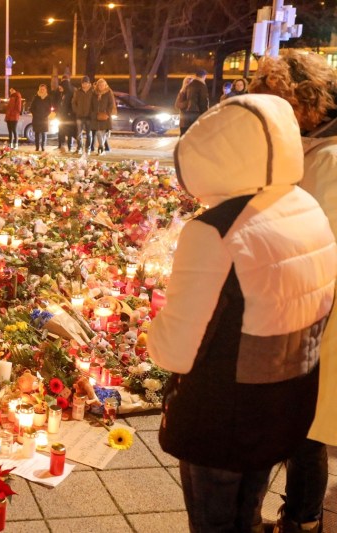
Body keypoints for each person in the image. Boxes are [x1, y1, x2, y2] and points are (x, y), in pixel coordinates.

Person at [147, 94, 337, 533]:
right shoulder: (305, 207)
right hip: (286, 398)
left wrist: (156, 328)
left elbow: (175, 351)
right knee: (249, 506)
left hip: (222, 410)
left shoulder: (216, 230)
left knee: (212, 517)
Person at [249, 50, 337, 533]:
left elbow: (315, 246)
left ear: (300, 104)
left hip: (313, 315)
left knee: (302, 426)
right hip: (297, 310)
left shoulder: (328, 159)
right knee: (295, 421)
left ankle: (302, 520)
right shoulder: (310, 149)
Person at [177, 68, 209, 134]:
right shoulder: (201, 85)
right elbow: (203, 102)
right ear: (204, 76)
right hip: (191, 117)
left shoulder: (189, 87)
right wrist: (205, 115)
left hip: (187, 118)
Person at [90, 78, 116, 155]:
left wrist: (107, 113)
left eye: (102, 85)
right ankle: (101, 147)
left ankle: (101, 147)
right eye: (99, 85)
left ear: (105, 85)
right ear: (97, 85)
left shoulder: (108, 93)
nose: (101, 86)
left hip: (105, 116)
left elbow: (111, 104)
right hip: (96, 116)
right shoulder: (94, 93)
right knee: (98, 132)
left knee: (103, 133)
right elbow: (91, 104)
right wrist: (93, 113)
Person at [72, 76, 94, 155]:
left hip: (89, 116)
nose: (84, 85)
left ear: (89, 83)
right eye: (83, 83)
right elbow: (74, 102)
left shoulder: (93, 92)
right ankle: (79, 148)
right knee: (78, 133)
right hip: (79, 116)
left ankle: (87, 149)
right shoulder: (78, 92)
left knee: (89, 134)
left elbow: (95, 103)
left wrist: (92, 112)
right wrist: (76, 110)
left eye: (86, 83)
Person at [30, 84, 52, 152]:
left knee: (43, 133)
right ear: (39, 90)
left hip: (44, 118)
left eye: (43, 89)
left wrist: (45, 115)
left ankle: (43, 147)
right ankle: (37, 147)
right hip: (36, 118)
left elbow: (49, 109)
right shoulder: (36, 97)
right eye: (41, 89)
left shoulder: (48, 98)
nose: (42, 90)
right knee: (37, 133)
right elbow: (32, 108)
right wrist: (35, 114)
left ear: (45, 90)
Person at [56, 79, 76, 152]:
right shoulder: (62, 94)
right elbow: (60, 105)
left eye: (61, 87)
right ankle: (62, 146)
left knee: (69, 132)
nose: (59, 88)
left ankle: (70, 146)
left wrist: (70, 112)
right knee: (61, 131)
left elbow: (72, 105)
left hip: (69, 117)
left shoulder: (71, 93)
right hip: (62, 116)